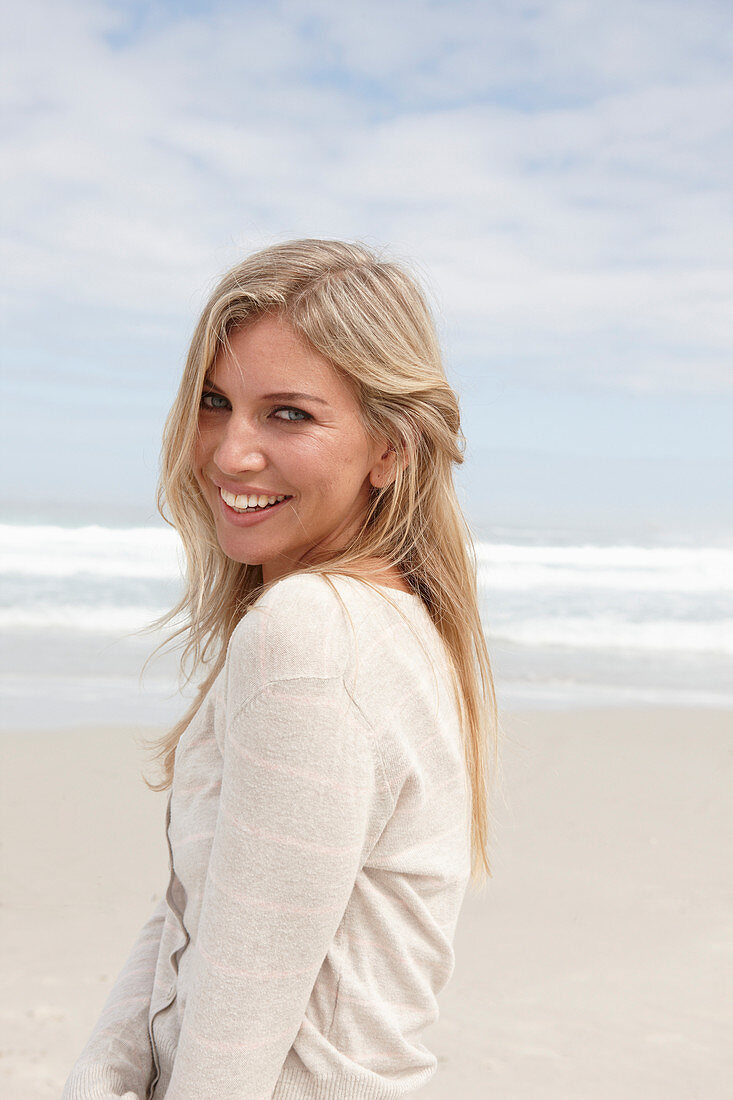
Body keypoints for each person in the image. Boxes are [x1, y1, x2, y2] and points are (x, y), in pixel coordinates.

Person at [62, 238, 500, 1099]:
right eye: (216, 402)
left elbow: (235, 1034)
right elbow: (203, 912)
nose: (231, 453)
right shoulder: (383, 620)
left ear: (389, 448)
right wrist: (102, 1071)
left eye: (289, 414)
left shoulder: (311, 637)